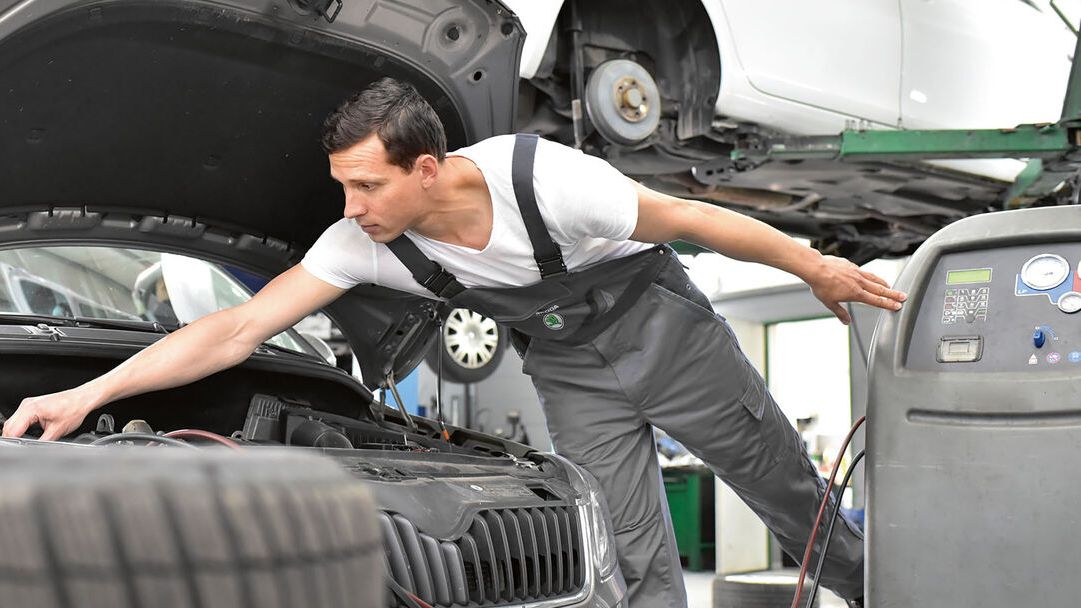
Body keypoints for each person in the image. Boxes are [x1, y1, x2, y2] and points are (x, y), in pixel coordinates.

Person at [3, 77, 904, 607]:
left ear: (424, 169)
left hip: (667, 335)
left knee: (789, 496)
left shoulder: (543, 180)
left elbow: (693, 219)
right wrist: (87, 396)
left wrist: (813, 267)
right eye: (341, 186)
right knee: (629, 550)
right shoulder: (361, 241)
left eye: (365, 185)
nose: (349, 207)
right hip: (569, 372)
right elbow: (237, 327)